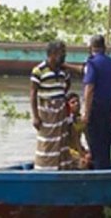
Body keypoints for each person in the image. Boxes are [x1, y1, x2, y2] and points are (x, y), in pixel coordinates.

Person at [30, 40, 72, 170]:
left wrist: (60, 99)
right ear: (53, 54)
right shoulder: (39, 70)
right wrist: (36, 116)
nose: (64, 55)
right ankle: (44, 169)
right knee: (47, 142)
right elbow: (33, 94)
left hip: (60, 112)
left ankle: (61, 168)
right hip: (47, 112)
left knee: (62, 142)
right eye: (62, 53)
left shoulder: (63, 71)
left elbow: (67, 84)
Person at [82, 35, 111, 170]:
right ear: (104, 47)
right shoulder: (110, 62)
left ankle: (98, 171)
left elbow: (89, 88)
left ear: (91, 47)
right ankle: (105, 168)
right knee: (105, 142)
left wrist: (86, 112)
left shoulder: (92, 63)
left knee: (95, 144)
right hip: (108, 108)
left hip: (95, 108)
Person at [65, 92, 90, 169]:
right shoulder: (67, 121)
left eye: (77, 101)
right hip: (68, 150)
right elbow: (75, 139)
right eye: (73, 102)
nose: (76, 104)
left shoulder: (81, 120)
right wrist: (81, 155)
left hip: (78, 148)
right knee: (83, 162)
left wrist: (90, 150)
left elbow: (88, 137)